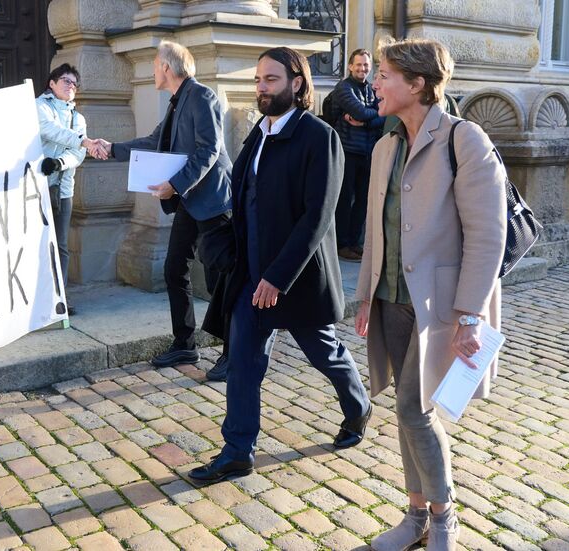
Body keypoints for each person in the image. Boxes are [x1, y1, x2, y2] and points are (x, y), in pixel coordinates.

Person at [188, 47, 371, 484]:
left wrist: (278, 276)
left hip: (295, 279)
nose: (261, 88)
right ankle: (237, 450)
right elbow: (243, 196)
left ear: (297, 83)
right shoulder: (259, 133)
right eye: (257, 80)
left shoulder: (319, 137)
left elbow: (317, 216)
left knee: (323, 353)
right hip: (252, 277)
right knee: (243, 361)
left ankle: (358, 406)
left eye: (271, 80)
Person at [355, 38, 506, 551]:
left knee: (414, 410)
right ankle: (416, 514)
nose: (375, 82)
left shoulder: (464, 139)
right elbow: (375, 230)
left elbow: (488, 234)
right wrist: (363, 297)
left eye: (385, 74)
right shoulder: (385, 146)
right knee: (406, 405)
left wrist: (470, 316)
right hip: (392, 297)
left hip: (443, 305)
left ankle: (442, 516)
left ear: (417, 84)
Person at [95, 40, 232, 370]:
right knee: (174, 270)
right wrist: (111, 147)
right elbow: (153, 143)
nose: (154, 69)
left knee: (221, 281)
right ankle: (184, 344)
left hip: (212, 201)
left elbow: (209, 151)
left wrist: (174, 184)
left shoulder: (202, 96)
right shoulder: (176, 103)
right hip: (188, 200)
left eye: (156, 64)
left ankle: (235, 353)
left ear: (167, 67)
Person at [35, 63, 106, 315]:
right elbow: (49, 131)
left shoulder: (80, 118)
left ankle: (59, 299)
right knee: (35, 243)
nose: (70, 86)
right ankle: (32, 302)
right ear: (52, 83)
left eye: (74, 83)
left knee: (61, 245)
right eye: (65, 80)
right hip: (34, 187)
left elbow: (78, 153)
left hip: (62, 190)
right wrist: (83, 141)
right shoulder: (39, 106)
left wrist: (59, 163)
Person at [332, 49, 384, 261]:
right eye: (358, 64)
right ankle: (341, 244)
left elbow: (385, 113)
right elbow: (363, 112)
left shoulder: (372, 90)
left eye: (366, 65)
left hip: (368, 152)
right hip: (347, 151)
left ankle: (354, 243)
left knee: (363, 200)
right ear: (350, 66)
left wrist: (366, 120)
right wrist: (371, 116)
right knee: (344, 200)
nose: (362, 68)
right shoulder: (343, 88)